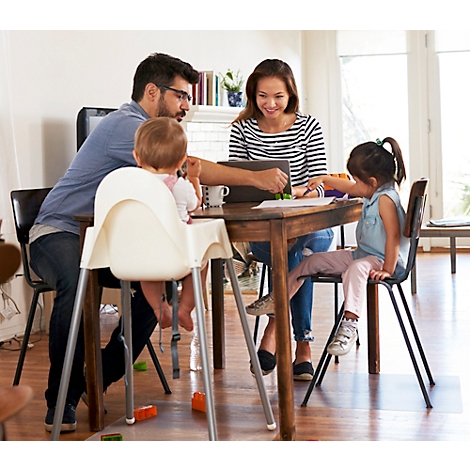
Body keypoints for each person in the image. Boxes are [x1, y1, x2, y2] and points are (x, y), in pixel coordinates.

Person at [29, 52, 288, 433]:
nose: (186, 106)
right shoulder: (126, 125)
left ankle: (96, 378)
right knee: (73, 281)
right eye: (181, 96)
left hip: (106, 239)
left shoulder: (148, 132)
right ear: (153, 91)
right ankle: (62, 397)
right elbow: (185, 161)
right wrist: (257, 178)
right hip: (59, 231)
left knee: (158, 284)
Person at [250, 137, 408, 358]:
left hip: (382, 260)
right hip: (364, 255)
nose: (354, 185)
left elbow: (393, 237)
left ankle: (350, 325)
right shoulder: (374, 190)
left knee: (356, 269)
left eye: (357, 181)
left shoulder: (385, 200)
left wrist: (388, 270)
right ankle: (278, 297)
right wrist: (325, 178)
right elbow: (349, 187)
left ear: (372, 181)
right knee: (312, 261)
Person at [229, 58, 334, 381]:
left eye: (278, 96)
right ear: (252, 95)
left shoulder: (308, 126)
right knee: (296, 255)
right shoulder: (242, 129)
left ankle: (273, 335)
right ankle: (303, 348)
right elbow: (236, 181)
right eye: (263, 96)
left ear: (291, 94)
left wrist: (303, 192)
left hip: (309, 225)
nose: (270, 104)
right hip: (264, 229)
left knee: (300, 246)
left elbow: (321, 182)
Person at [133, 116, 204, 333]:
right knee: (201, 263)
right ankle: (185, 308)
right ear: (181, 160)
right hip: (178, 255)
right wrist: (194, 178)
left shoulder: (131, 184)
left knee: (148, 274)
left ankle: (159, 307)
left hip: (141, 255)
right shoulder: (180, 186)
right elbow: (196, 205)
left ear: (136, 156)